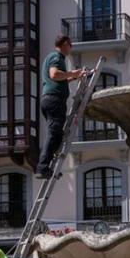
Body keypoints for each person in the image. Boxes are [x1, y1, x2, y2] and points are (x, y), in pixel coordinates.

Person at [36, 36, 89, 179]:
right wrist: (73, 73)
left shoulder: (52, 57)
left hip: (50, 100)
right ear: (65, 44)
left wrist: (75, 76)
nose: (71, 48)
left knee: (57, 135)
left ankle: (47, 168)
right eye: (70, 45)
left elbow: (60, 79)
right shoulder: (56, 57)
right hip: (54, 100)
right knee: (54, 134)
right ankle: (42, 167)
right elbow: (54, 75)